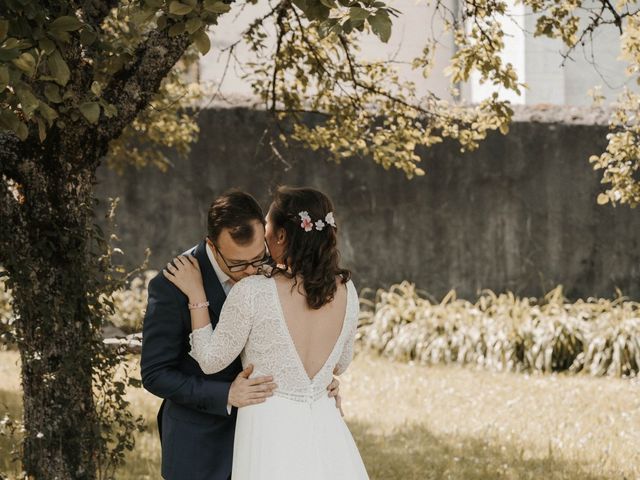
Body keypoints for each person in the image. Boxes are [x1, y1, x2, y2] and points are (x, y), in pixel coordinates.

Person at [164, 186, 369, 479]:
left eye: (268, 224)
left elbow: (210, 361)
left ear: (281, 235)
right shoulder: (347, 290)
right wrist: (320, 380)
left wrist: (197, 294)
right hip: (324, 422)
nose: (264, 233)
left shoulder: (253, 291)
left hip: (269, 426)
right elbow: (341, 363)